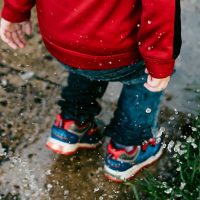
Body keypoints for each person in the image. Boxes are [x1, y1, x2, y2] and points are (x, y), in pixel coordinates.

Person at [0, 0, 181, 182]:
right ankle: (129, 147)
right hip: (118, 47)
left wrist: (14, 11)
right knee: (142, 78)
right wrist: (159, 59)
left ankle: (72, 123)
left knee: (86, 56)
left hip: (62, 38)